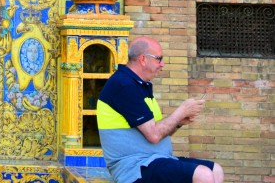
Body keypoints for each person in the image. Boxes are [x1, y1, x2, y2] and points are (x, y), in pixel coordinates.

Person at [96, 36, 224, 183]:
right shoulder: (123, 85)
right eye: (159, 59)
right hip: (133, 167)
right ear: (143, 59)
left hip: (155, 159)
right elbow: (154, 135)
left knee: (216, 170)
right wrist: (181, 111)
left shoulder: (140, 85)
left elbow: (158, 133)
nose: (162, 64)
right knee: (204, 175)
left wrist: (179, 122)